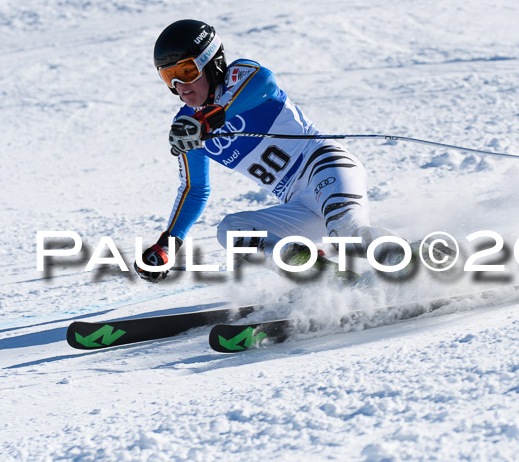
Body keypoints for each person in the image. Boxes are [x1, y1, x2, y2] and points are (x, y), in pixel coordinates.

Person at [135, 19, 397, 283]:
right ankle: (330, 281)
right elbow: (194, 189)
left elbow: (265, 82)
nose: (180, 84)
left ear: (211, 63)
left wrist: (213, 118)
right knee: (230, 231)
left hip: (324, 167)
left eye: (187, 71)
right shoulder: (187, 126)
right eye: (169, 76)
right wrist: (168, 244)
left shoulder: (238, 77)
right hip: (298, 204)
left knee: (348, 237)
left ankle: (412, 262)